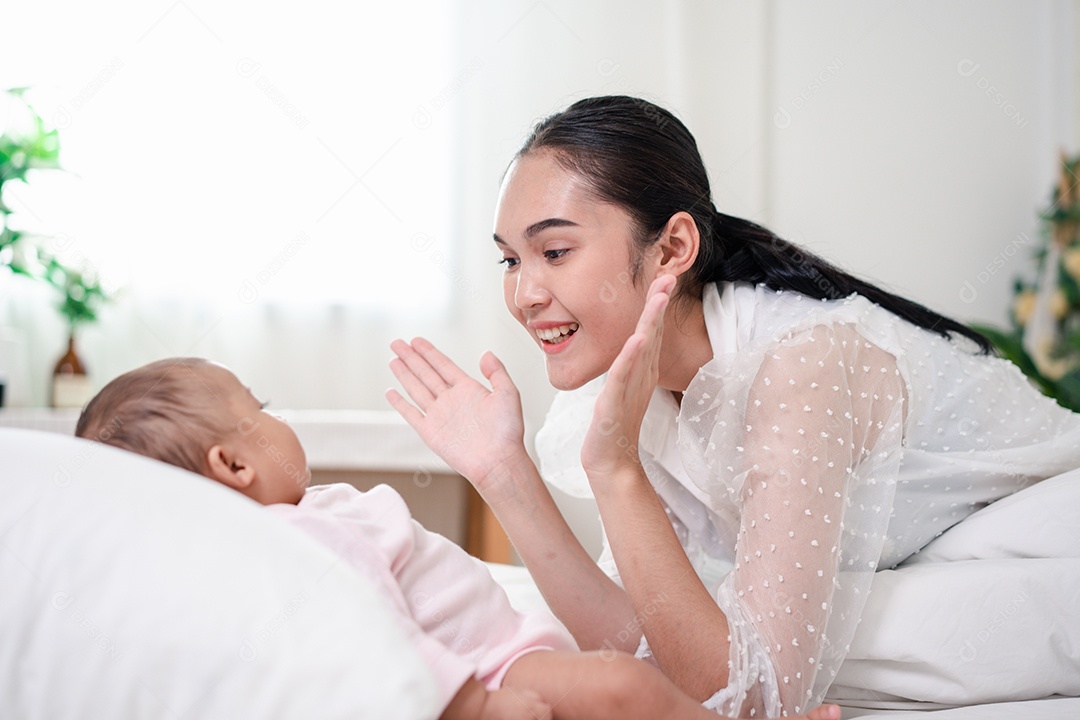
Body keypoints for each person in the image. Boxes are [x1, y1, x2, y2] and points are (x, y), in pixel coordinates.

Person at [386, 95, 1080, 717]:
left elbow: (754, 699)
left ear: (673, 248)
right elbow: (637, 640)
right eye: (511, 261)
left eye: (555, 251)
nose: (524, 294)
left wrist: (618, 469)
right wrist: (505, 474)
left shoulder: (797, 363)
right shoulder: (641, 378)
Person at [74, 357, 840, 720]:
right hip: (489, 676)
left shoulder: (283, 532)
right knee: (622, 688)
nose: (279, 417)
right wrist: (472, 706)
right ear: (234, 462)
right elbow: (366, 624)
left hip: (493, 667)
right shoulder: (300, 533)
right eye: (259, 406)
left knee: (621, 690)